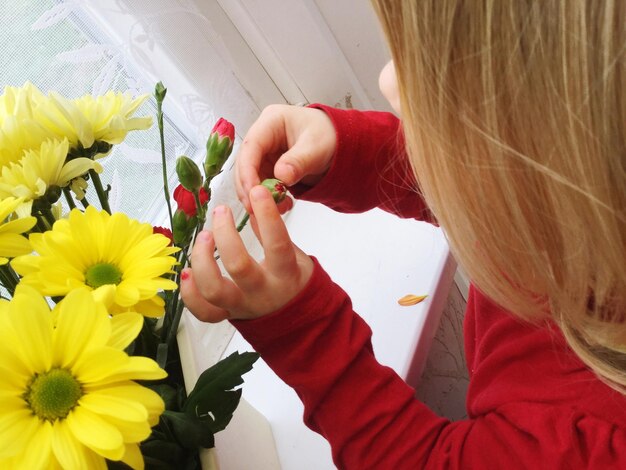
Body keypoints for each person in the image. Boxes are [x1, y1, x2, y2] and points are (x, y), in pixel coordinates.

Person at [181, 1, 625, 468]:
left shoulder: (592, 450)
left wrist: (302, 332)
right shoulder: (575, 213)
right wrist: (354, 151)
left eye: (440, 70)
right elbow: (510, 196)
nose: (388, 80)